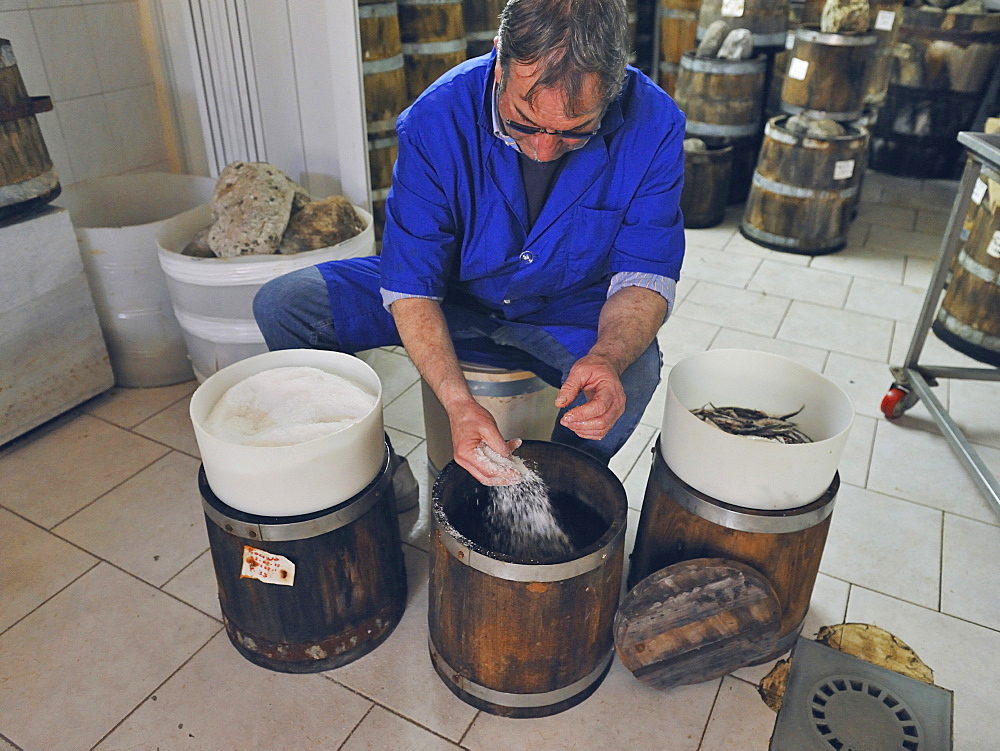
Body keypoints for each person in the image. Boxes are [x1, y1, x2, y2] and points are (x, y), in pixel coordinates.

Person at [253, 0, 685, 493]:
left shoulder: (655, 124)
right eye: (524, 121)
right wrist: (458, 402)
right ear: (500, 59)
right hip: (451, 290)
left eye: (575, 132)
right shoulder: (436, 118)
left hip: (563, 306)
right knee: (286, 305)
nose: (543, 149)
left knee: (635, 371)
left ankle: (547, 493)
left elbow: (645, 272)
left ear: (614, 88)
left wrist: (606, 357)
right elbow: (411, 283)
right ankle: (375, 468)